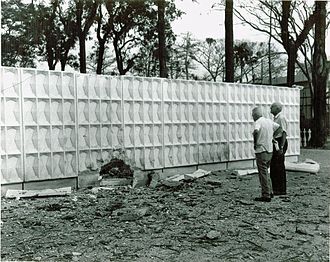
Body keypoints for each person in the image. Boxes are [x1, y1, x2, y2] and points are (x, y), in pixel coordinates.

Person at [252, 107, 282, 202]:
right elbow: (279, 128)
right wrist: (272, 136)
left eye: (253, 115)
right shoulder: (269, 121)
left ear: (256, 115)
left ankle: (266, 194)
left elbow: (256, 132)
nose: (252, 117)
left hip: (261, 149)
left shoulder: (258, 122)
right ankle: (270, 191)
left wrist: (255, 143)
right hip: (270, 150)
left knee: (263, 173)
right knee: (266, 171)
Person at [270, 102, 288, 196]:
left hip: (280, 141)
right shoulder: (275, 118)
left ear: (276, 108)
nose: (270, 108)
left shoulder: (281, 118)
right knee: (274, 166)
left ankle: (281, 189)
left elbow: (284, 132)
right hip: (276, 141)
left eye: (272, 107)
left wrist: (281, 147)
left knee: (279, 166)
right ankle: (275, 188)